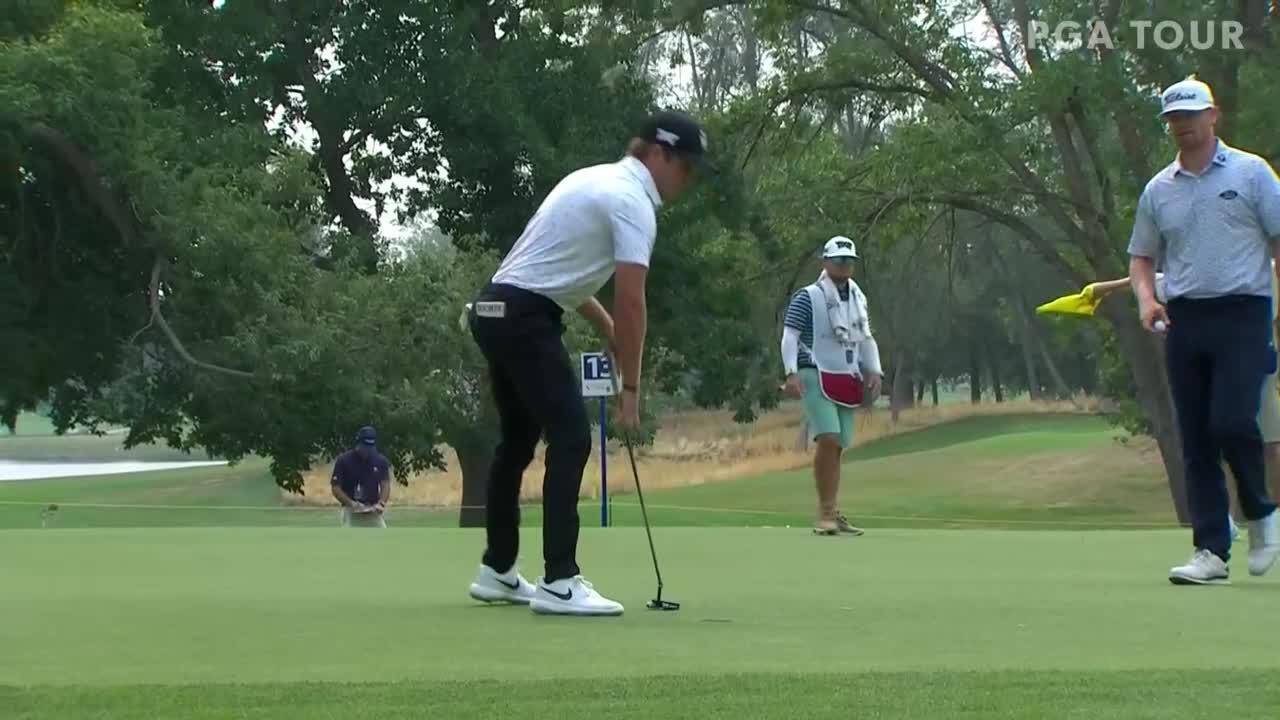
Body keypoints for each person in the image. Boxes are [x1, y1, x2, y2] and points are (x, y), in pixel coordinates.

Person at [464, 110, 707, 616]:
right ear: (657, 154)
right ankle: (559, 580)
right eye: (685, 166)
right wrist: (631, 390)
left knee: (516, 442)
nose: (687, 179)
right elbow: (632, 299)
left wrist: (607, 331)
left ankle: (498, 570)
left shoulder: (592, 178)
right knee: (571, 436)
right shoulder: (633, 204)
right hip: (526, 315)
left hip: (494, 309)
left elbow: (558, 272)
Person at [1127, 75, 1280, 585]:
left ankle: (1260, 514)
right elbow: (1142, 256)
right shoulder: (1159, 190)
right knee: (1195, 438)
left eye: (1192, 115)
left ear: (1213, 116)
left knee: (1233, 422)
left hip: (1245, 312)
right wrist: (1147, 299)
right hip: (1186, 318)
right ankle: (1211, 549)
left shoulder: (1251, 173)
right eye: (1175, 119)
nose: (1184, 126)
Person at [1087, 263, 1280, 539]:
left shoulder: (1263, 267)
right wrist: (1101, 289)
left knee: (1267, 445)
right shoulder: (1238, 265)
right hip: (1233, 360)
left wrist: (1101, 289)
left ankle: (1262, 518)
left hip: (1257, 359)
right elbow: (1153, 277)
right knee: (1232, 439)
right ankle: (1223, 518)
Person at [780, 236, 883, 536]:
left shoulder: (857, 300)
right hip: (814, 370)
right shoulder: (807, 296)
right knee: (829, 438)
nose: (845, 265)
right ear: (826, 262)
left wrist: (874, 370)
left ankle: (832, 511)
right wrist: (791, 373)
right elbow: (790, 336)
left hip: (846, 373)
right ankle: (824, 514)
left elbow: (865, 338)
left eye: (849, 260)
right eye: (839, 260)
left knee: (838, 446)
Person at [330, 426, 391, 528]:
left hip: (372, 510)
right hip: (351, 510)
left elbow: (385, 484)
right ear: (359, 443)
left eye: (370, 447)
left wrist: (381, 504)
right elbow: (336, 488)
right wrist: (351, 504)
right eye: (365, 446)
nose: (367, 450)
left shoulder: (380, 461)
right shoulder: (344, 460)